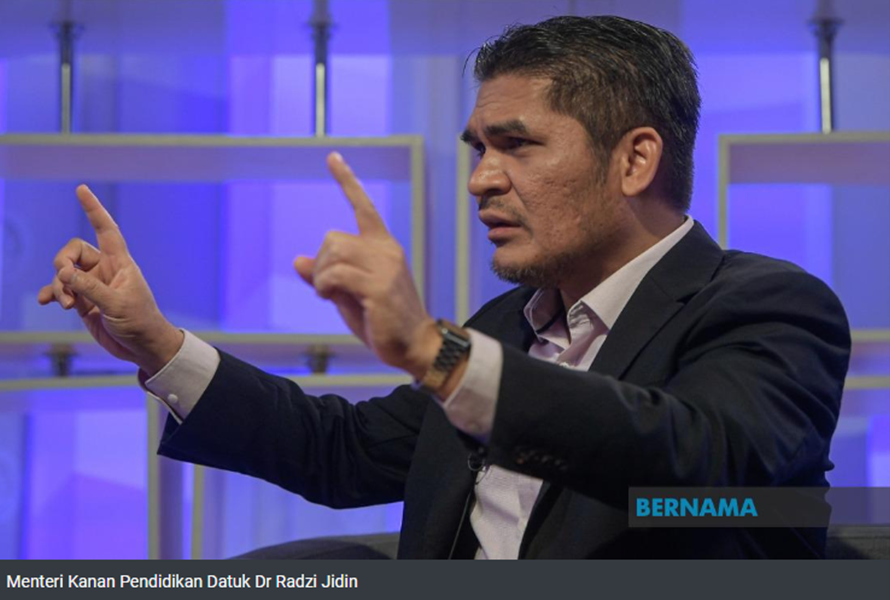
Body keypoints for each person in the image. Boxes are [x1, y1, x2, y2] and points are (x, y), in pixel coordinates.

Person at [38, 16, 850, 558]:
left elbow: (698, 463)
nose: (480, 180)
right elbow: (342, 452)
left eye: (516, 145)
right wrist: (157, 344)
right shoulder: (504, 327)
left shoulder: (769, 305)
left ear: (634, 160)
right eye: (477, 149)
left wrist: (434, 350)